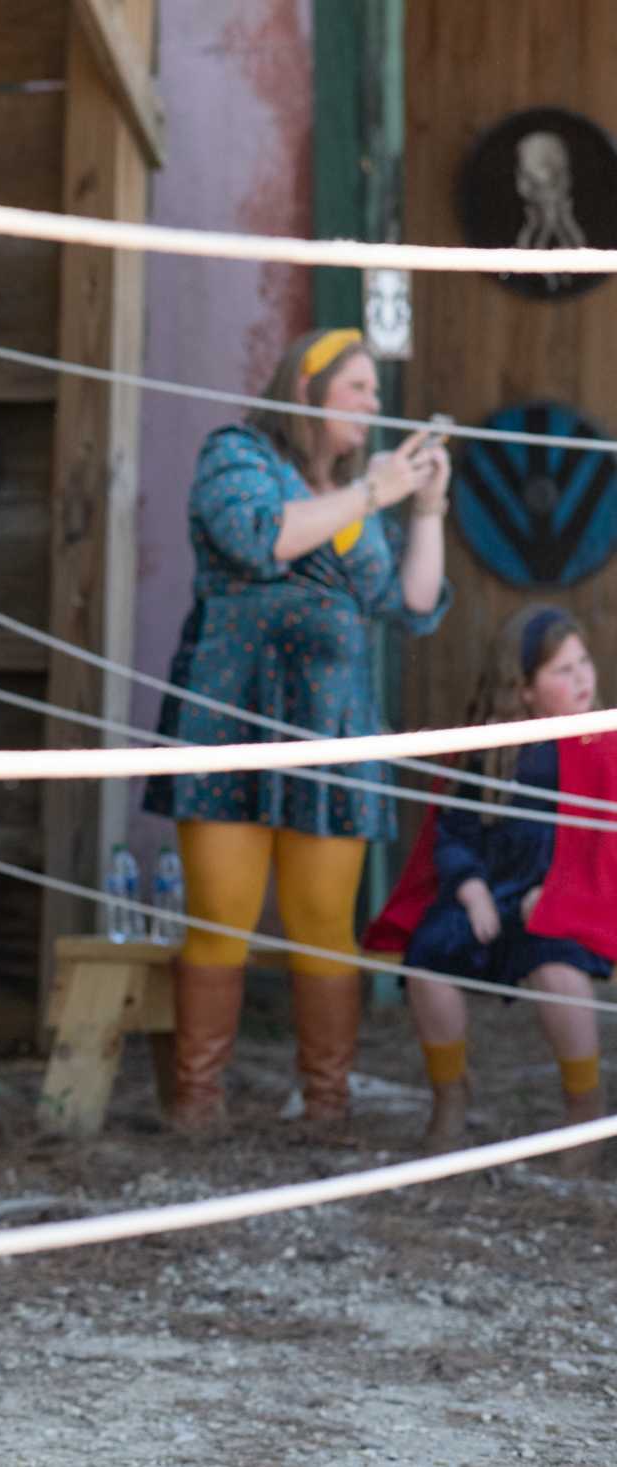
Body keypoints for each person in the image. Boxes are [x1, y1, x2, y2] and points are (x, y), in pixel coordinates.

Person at [143, 327, 453, 1133]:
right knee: (221, 915)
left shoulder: (356, 491)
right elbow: (260, 537)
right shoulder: (236, 456)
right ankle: (198, 1102)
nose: (375, 405)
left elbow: (411, 604)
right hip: (230, 714)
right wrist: (374, 494)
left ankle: (326, 1106)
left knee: (324, 920)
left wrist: (425, 507)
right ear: (307, 390)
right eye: (359, 388)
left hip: (333, 726)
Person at [373, 606, 610, 1160]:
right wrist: (471, 886)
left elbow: (605, 850)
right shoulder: (488, 751)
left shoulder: (603, 744)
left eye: (583, 664)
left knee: (559, 971)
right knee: (428, 959)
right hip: (489, 893)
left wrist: (557, 895)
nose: (582, 679)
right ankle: (450, 1095)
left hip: (560, 901)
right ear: (523, 690)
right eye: (562, 671)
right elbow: (452, 830)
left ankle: (583, 1108)